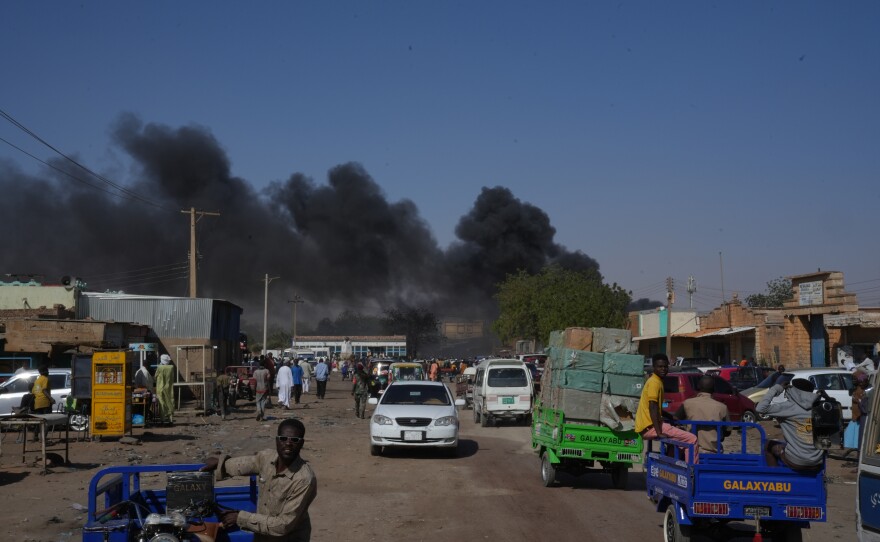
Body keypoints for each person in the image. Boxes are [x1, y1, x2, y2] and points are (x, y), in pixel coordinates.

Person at [201, 418, 318, 541]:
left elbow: (283, 525)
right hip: (262, 536)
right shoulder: (266, 458)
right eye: (283, 438)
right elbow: (242, 465)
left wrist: (240, 518)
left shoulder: (304, 479)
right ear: (277, 440)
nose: (288, 443)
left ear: (302, 443)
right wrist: (220, 463)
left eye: (294, 440)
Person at [635, 354, 699, 462]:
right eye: (660, 367)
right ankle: (692, 472)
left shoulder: (656, 381)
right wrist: (659, 432)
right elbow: (652, 407)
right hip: (649, 427)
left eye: (665, 367)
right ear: (654, 367)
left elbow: (656, 408)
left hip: (649, 426)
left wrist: (670, 416)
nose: (663, 369)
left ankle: (674, 465)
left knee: (681, 437)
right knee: (692, 439)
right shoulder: (654, 383)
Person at [757, 378, 826, 469]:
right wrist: (827, 397)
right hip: (817, 461)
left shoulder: (787, 407)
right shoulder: (820, 408)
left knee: (768, 445)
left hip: (796, 461)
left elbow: (760, 408)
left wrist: (777, 388)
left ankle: (775, 479)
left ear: (793, 391)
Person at [674, 375, 730, 454]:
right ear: (714, 388)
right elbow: (728, 431)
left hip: (692, 451)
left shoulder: (687, 403)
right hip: (714, 451)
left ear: (698, 386)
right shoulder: (722, 407)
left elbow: (675, 419)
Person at [155, 354, 176, 424]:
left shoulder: (159, 367)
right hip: (169, 388)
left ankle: (163, 419)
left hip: (160, 388)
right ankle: (170, 419)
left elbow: (155, 376)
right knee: (169, 402)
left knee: (162, 403)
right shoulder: (171, 367)